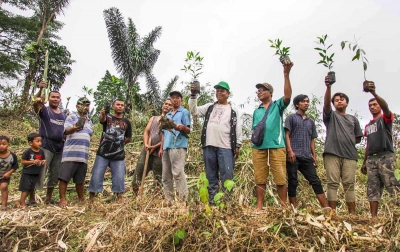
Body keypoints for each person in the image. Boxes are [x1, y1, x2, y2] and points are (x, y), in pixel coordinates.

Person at [189, 81, 242, 204]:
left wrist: (238, 145)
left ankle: (227, 204)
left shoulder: (233, 110)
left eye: (222, 91)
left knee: (227, 176)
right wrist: (193, 96)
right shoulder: (210, 107)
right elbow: (194, 111)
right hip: (209, 146)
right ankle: (212, 203)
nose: (219, 93)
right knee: (211, 176)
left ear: (228, 94)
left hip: (226, 147)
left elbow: (237, 128)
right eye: (217, 90)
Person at [252, 61, 293, 210]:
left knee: (280, 176)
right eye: (258, 91)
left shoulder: (278, 106)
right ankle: (259, 206)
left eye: (263, 90)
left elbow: (288, 96)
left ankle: (283, 205)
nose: (260, 92)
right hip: (258, 147)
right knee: (260, 177)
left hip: (277, 145)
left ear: (270, 92)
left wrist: (286, 74)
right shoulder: (256, 111)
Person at [323, 76, 363, 215]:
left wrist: (347, 142)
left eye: (342, 99)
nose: (339, 101)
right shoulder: (331, 115)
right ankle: (332, 213)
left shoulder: (353, 119)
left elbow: (357, 138)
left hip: (350, 155)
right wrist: (328, 87)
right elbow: (326, 104)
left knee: (349, 184)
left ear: (347, 103)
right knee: (332, 183)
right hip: (332, 153)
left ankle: (352, 214)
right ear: (333, 103)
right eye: (336, 100)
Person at [361, 81, 400, 218]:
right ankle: (374, 217)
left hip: (386, 157)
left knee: (392, 185)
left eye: (375, 104)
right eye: (370, 105)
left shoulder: (385, 119)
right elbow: (368, 144)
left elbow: (386, 107)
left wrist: (373, 93)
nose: (372, 107)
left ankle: (397, 215)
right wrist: (364, 162)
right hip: (372, 159)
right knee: (372, 188)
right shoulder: (367, 126)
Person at [285, 94, 329, 210]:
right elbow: (287, 135)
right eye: (303, 101)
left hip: (306, 156)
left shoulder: (310, 122)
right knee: (293, 181)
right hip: (293, 155)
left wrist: (314, 155)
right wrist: (289, 151)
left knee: (315, 181)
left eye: (307, 101)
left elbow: (312, 139)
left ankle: (326, 208)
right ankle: (293, 208)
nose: (306, 103)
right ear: (297, 104)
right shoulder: (291, 118)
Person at [88, 99, 132, 202]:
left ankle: (119, 199)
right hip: (103, 153)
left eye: (122, 105)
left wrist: (119, 144)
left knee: (119, 178)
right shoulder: (108, 118)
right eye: (118, 104)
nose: (120, 106)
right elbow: (102, 119)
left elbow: (128, 138)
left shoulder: (127, 122)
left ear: (124, 107)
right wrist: (103, 114)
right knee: (96, 175)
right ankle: (91, 200)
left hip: (118, 155)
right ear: (113, 107)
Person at [33, 80, 66, 204]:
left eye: (57, 97)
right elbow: (35, 103)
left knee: (55, 173)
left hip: (59, 147)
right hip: (46, 145)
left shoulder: (63, 115)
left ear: (60, 100)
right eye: (53, 97)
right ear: (49, 98)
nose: (55, 99)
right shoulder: (45, 111)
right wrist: (40, 89)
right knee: (40, 170)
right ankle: (32, 197)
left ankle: (48, 197)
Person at [131, 99, 172, 194]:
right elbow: (146, 132)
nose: (167, 106)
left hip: (160, 153)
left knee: (158, 179)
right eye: (165, 104)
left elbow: (167, 138)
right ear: (162, 106)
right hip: (147, 151)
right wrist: (146, 144)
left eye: (169, 105)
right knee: (138, 175)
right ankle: (135, 198)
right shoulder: (153, 118)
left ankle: (156, 199)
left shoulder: (170, 121)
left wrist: (155, 146)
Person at [59, 97, 93, 207]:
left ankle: (81, 199)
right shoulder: (71, 117)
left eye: (87, 105)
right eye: (82, 105)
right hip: (70, 154)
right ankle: (63, 199)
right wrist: (74, 127)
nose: (85, 107)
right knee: (64, 178)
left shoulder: (90, 121)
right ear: (77, 106)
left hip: (83, 155)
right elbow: (66, 131)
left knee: (80, 180)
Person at [159, 91, 191, 202]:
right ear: (171, 100)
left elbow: (188, 130)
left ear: (181, 100)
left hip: (178, 146)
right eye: (173, 98)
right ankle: (169, 201)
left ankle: (183, 201)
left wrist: (181, 127)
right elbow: (163, 133)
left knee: (178, 173)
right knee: (166, 176)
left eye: (177, 97)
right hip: (166, 147)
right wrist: (161, 148)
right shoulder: (167, 115)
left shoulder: (184, 112)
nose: (175, 99)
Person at [19, 133, 46, 209]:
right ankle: (22, 204)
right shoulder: (28, 152)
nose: (40, 143)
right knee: (25, 189)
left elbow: (43, 159)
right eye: (37, 141)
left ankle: (20, 201)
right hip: (27, 173)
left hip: (36, 173)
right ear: (31, 143)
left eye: (40, 141)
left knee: (32, 188)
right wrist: (32, 162)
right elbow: (23, 162)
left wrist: (43, 161)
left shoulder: (41, 152)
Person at [0, 136, 18, 210]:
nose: (1, 146)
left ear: (8, 145)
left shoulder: (12, 156)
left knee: (4, 187)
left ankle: (4, 205)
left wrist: (9, 173)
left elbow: (15, 166)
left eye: (4, 144)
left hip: (5, 176)